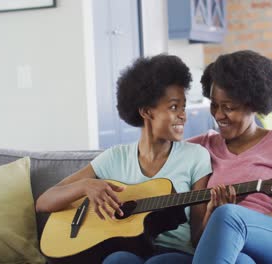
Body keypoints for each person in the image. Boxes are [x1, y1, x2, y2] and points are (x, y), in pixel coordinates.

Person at [35, 54, 212, 264]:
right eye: (174, 107)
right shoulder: (114, 158)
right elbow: (44, 202)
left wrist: (213, 210)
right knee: (117, 260)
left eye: (183, 107)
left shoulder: (196, 156)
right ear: (147, 111)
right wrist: (85, 186)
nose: (183, 115)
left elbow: (197, 237)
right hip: (128, 249)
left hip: (175, 253)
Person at [187, 50, 272, 264]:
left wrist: (240, 224)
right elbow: (151, 155)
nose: (219, 115)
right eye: (214, 105)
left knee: (227, 216)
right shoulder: (201, 147)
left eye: (228, 107)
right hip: (232, 247)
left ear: (253, 104)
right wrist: (110, 185)